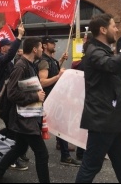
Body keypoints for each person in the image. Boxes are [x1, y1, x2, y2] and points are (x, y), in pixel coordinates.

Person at [75, 13, 121, 183]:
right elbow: (111, 66)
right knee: (91, 166)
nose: (117, 29)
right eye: (114, 26)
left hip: (111, 120)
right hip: (103, 120)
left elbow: (106, 76)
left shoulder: (102, 50)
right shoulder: (95, 51)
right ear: (103, 29)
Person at [0, 37, 50, 183]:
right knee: (42, 154)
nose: (42, 49)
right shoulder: (21, 66)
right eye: (41, 47)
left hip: (27, 115)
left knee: (19, 148)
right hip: (25, 118)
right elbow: (12, 93)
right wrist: (35, 96)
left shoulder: (29, 65)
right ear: (34, 49)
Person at [36, 35, 80, 167]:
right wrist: (58, 76)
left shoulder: (51, 60)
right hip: (48, 99)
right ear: (44, 45)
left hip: (53, 98)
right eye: (51, 43)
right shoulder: (43, 61)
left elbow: (52, 71)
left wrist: (60, 61)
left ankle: (65, 154)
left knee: (58, 125)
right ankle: (18, 152)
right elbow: (42, 82)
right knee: (36, 128)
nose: (54, 45)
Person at [0, 24, 27, 169]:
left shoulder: (9, 62)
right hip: (3, 99)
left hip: (10, 97)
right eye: (9, 46)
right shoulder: (0, 59)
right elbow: (9, 56)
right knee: (11, 128)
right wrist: (18, 37)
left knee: (13, 127)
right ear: (2, 48)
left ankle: (17, 152)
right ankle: (11, 157)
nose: (11, 48)